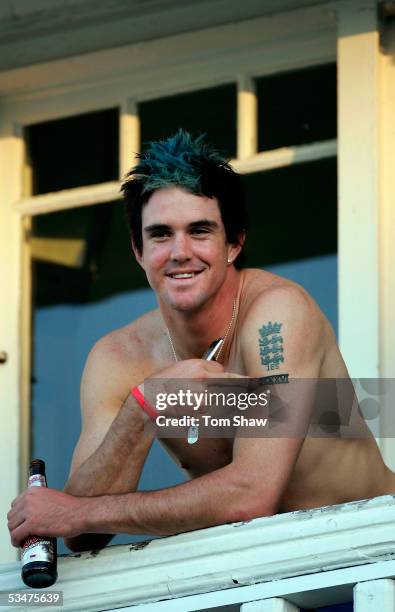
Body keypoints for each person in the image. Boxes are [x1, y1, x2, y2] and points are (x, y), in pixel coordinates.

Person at [7, 130, 394, 553]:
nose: (180, 251)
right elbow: (83, 536)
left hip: (371, 557)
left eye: (199, 231)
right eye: (160, 234)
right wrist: (143, 408)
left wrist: (79, 512)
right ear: (138, 250)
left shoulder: (276, 315)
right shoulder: (119, 356)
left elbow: (251, 495)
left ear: (234, 243)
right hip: (260, 577)